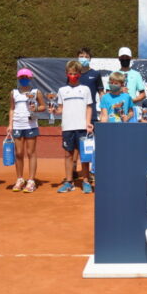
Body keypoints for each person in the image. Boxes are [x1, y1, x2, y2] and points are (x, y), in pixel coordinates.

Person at [51, 61, 93, 194]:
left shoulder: (85, 89)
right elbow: (60, 109)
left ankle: (86, 181)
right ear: (66, 74)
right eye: (70, 73)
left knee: (84, 156)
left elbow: (89, 107)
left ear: (79, 74)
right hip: (67, 127)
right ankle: (69, 182)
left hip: (82, 127)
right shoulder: (62, 90)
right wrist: (53, 111)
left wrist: (88, 123)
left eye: (75, 73)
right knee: (68, 154)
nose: (73, 75)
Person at [7, 68, 45, 193]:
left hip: (31, 125)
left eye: (26, 77)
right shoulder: (14, 93)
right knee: (18, 153)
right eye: (21, 77)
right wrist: (10, 125)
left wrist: (35, 109)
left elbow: (43, 106)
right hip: (18, 125)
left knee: (31, 152)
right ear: (18, 78)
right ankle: (19, 179)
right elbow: (12, 109)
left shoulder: (36, 92)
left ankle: (31, 181)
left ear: (30, 78)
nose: (24, 79)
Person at [76, 47, 103, 177]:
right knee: (75, 141)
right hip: (76, 113)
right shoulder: (74, 75)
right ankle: (74, 170)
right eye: (81, 56)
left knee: (91, 142)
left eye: (86, 56)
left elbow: (101, 92)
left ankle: (93, 171)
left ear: (90, 59)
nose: (84, 59)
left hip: (90, 112)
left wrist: (104, 108)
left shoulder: (96, 74)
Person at [117, 47, 146, 122]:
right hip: (117, 108)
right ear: (119, 58)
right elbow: (108, 92)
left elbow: (143, 94)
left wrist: (131, 100)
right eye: (122, 57)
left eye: (127, 57)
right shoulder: (114, 74)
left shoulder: (136, 74)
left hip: (132, 109)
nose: (124, 59)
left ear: (130, 58)